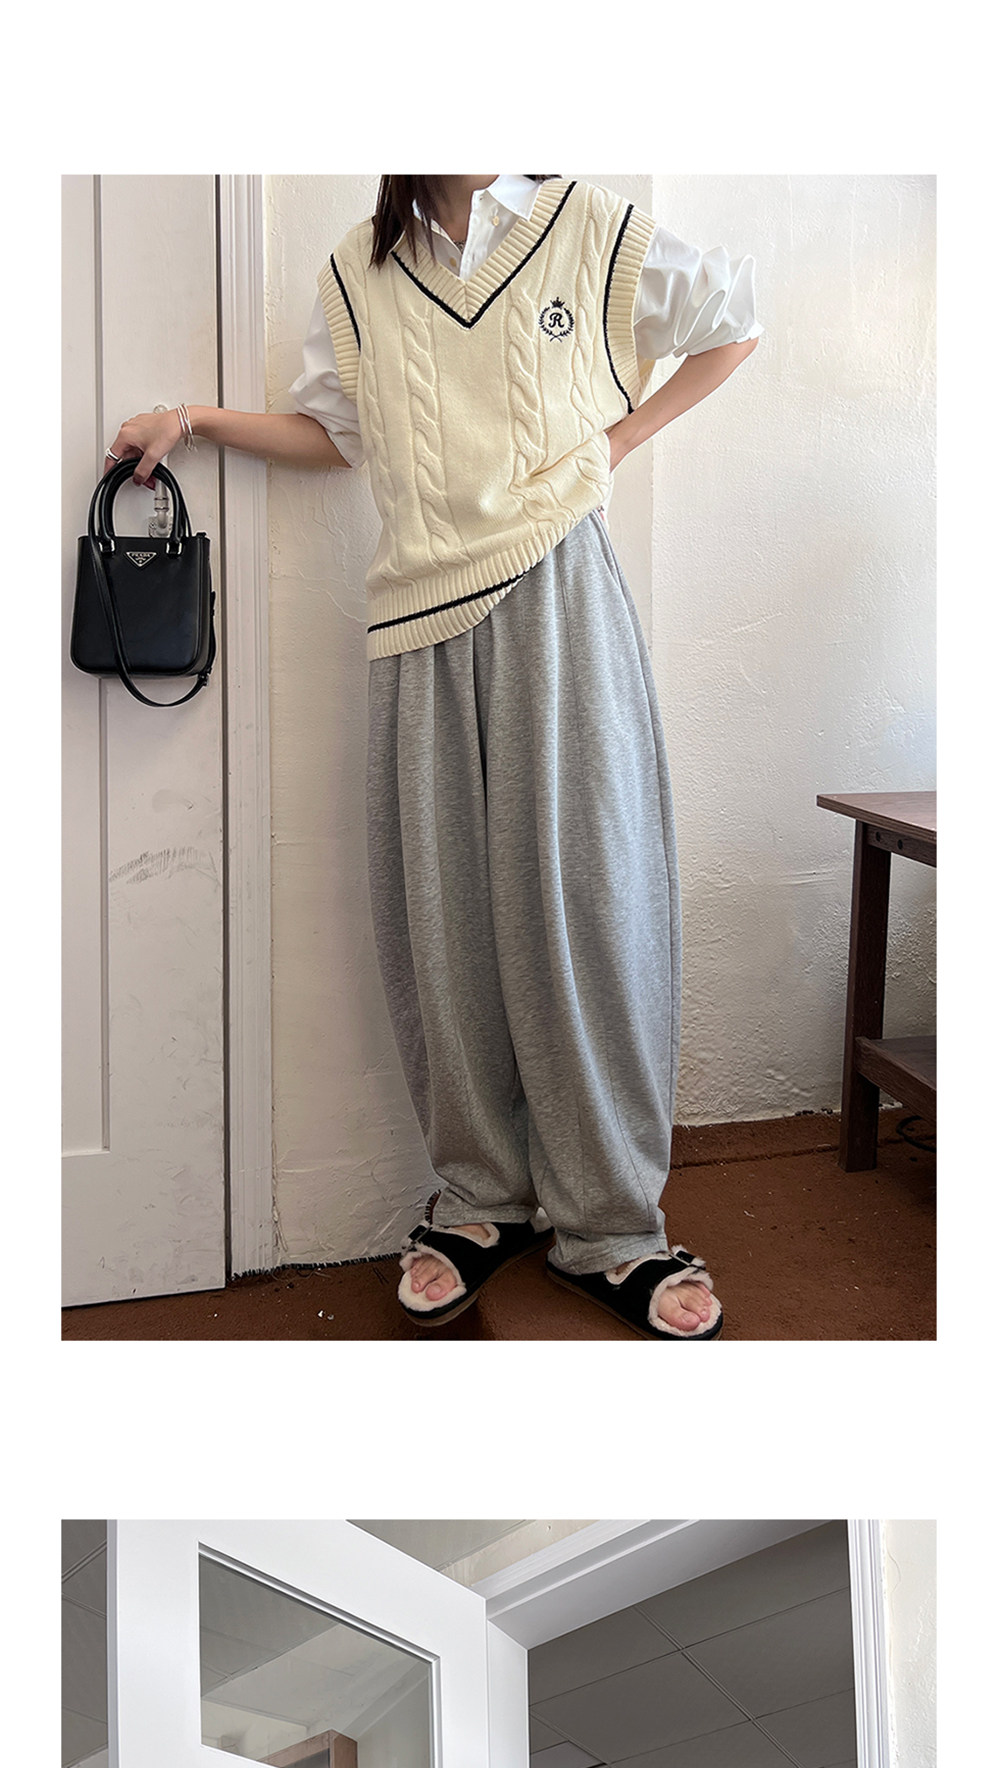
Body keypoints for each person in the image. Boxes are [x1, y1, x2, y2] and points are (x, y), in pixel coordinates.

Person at [104, 174, 762, 1340]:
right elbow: (335, 436)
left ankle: (611, 1224)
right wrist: (191, 420)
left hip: (560, 597)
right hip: (415, 617)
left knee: (587, 907)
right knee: (444, 919)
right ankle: (480, 1199)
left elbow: (731, 318)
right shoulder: (359, 268)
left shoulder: (588, 226)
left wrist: (612, 442)